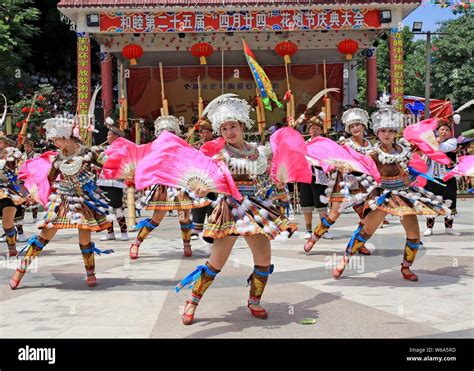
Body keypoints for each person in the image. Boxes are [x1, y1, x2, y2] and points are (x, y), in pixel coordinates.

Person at [176, 95, 297, 325]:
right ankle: (192, 300)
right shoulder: (220, 156)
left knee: (264, 260)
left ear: (242, 126)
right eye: (223, 128)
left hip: (256, 210)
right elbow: (210, 183)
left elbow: (267, 181)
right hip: (231, 210)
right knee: (216, 263)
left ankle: (254, 300)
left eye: (232, 126)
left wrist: (279, 189)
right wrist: (203, 189)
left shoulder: (259, 152)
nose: (229, 132)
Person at [332, 94, 452, 282]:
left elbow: (420, 157)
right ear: (377, 132)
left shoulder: (405, 149)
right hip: (383, 195)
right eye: (382, 131)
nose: (386, 134)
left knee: (414, 235)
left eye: (390, 130)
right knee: (365, 232)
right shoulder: (372, 153)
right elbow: (357, 167)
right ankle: (345, 259)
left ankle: (406, 267)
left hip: (404, 195)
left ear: (395, 132)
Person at [10, 117, 115, 289]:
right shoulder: (57, 158)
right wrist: (41, 191)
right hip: (62, 199)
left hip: (83, 201)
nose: (54, 144)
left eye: (56, 140)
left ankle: (90, 273)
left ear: (65, 138)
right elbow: (50, 178)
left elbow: (108, 164)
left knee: (84, 240)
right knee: (42, 238)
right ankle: (19, 272)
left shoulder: (87, 152)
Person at [130, 115, 210, 259]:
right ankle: (136, 243)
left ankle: (187, 245)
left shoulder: (182, 148)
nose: (168, 137)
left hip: (181, 185)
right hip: (164, 187)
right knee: (156, 219)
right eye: (165, 133)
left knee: (184, 217)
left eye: (171, 133)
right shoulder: (155, 149)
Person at [304, 108, 372, 253]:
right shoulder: (344, 144)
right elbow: (331, 158)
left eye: (357, 125)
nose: (355, 128)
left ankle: (359, 244)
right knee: (333, 215)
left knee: (366, 217)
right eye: (352, 126)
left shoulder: (370, 146)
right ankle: (314, 238)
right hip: (345, 183)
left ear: (364, 126)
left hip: (363, 185)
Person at [298, 116, 334, 241]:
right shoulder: (304, 144)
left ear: (321, 130)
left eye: (317, 128)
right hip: (305, 176)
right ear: (309, 130)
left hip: (320, 175)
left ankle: (324, 230)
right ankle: (308, 230)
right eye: (313, 128)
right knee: (306, 204)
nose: (315, 130)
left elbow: (330, 158)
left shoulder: (325, 144)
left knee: (322, 204)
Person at [423, 122, 460, 236]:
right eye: (442, 129)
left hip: (448, 177)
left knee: (450, 202)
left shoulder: (452, 142)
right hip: (432, 178)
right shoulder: (430, 142)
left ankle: (448, 227)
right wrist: (434, 142)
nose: (444, 132)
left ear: (450, 133)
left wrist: (436, 142)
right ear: (437, 131)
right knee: (431, 202)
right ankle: (430, 227)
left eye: (447, 130)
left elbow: (442, 148)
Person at [96, 119, 129, 241]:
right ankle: (110, 232)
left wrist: (106, 158)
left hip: (116, 181)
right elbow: (101, 161)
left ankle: (123, 231)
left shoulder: (122, 149)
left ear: (116, 136)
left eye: (109, 135)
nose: (107, 137)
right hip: (104, 180)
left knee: (117, 206)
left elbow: (116, 162)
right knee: (106, 207)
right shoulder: (107, 148)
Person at [0, 134, 27, 257]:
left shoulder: (14, 155)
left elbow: (21, 171)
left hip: (10, 191)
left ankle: (11, 245)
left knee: (7, 222)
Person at [190, 120, 215, 240]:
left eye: (206, 132)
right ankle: (196, 228)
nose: (203, 135)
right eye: (201, 133)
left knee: (213, 203)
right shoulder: (196, 146)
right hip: (200, 178)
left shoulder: (217, 144)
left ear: (211, 132)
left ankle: (211, 229)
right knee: (197, 202)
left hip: (213, 178)